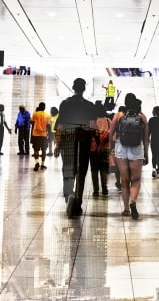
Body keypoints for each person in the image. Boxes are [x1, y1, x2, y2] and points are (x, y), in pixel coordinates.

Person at [56, 78, 97, 218]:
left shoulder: (65, 104)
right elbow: (93, 126)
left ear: (73, 87)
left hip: (68, 140)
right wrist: (94, 142)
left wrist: (57, 144)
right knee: (81, 172)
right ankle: (78, 203)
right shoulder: (90, 106)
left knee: (68, 169)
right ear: (84, 89)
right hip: (84, 141)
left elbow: (60, 125)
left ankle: (69, 196)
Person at [109, 92, 149, 219]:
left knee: (124, 181)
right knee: (136, 180)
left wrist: (112, 148)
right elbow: (146, 138)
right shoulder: (142, 117)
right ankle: (133, 202)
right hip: (137, 148)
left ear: (125, 103)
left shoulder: (118, 115)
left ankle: (126, 209)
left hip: (121, 148)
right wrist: (146, 154)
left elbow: (110, 134)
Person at [90, 101, 111, 196]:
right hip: (105, 148)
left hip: (93, 148)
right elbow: (112, 136)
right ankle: (104, 188)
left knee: (94, 169)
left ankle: (95, 190)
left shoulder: (92, 121)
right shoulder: (108, 121)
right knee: (104, 169)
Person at [31, 102, 51, 171]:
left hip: (35, 134)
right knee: (44, 150)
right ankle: (42, 164)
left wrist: (32, 135)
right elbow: (48, 126)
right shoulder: (47, 115)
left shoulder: (35, 114)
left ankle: (37, 163)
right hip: (43, 135)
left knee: (36, 150)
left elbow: (32, 124)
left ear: (39, 106)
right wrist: (49, 135)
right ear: (44, 107)